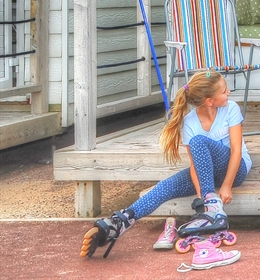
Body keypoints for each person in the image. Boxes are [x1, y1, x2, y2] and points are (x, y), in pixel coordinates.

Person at [81, 70, 248, 268]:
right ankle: (121, 222)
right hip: (206, 174)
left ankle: (213, 207)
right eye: (224, 91)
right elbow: (195, 166)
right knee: (165, 186)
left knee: (199, 141)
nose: (229, 93)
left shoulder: (231, 109)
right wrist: (202, 200)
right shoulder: (190, 122)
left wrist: (227, 185)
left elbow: (236, 150)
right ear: (209, 101)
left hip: (235, 169)